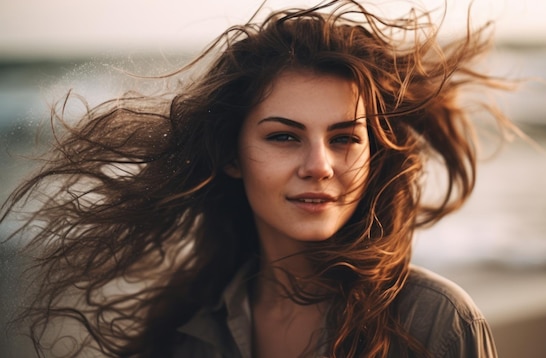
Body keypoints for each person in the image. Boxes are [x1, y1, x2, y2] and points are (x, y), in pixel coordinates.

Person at [1, 0, 518, 357]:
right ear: (232, 155)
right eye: (285, 137)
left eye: (344, 137)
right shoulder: (187, 327)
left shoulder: (436, 324)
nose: (320, 164)